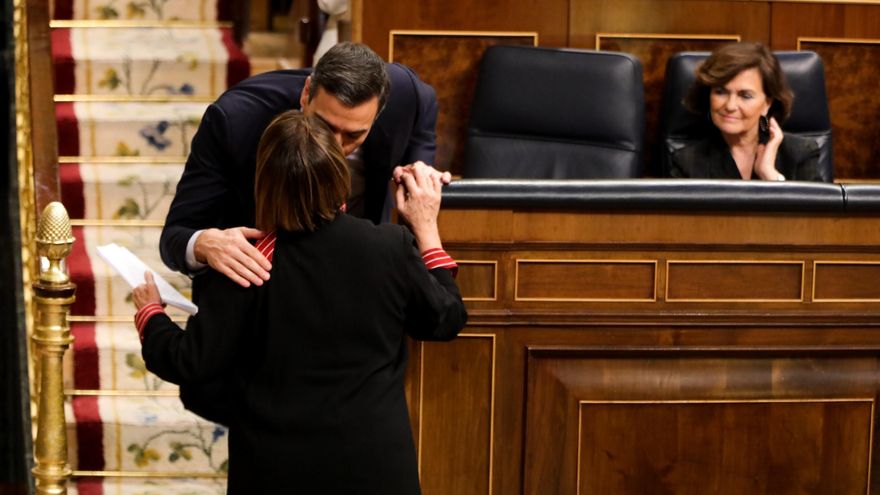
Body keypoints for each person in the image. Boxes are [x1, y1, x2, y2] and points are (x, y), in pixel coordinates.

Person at [133, 111, 468, 494]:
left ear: (265, 182)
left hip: (274, 471)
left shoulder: (243, 262)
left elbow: (188, 361)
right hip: (375, 467)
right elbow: (445, 318)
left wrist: (150, 312)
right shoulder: (389, 247)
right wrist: (426, 230)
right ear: (339, 177)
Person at [160, 42, 449, 288]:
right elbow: (176, 235)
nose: (335, 147)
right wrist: (202, 244)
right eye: (324, 125)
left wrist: (419, 165)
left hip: (359, 279)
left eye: (353, 135)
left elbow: (424, 103)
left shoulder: (403, 93)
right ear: (306, 93)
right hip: (264, 290)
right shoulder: (234, 122)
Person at [669, 42, 822, 181]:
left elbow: (817, 211)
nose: (730, 105)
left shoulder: (799, 153)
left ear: (767, 104)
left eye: (745, 96)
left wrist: (770, 176)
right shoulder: (686, 162)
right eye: (720, 92)